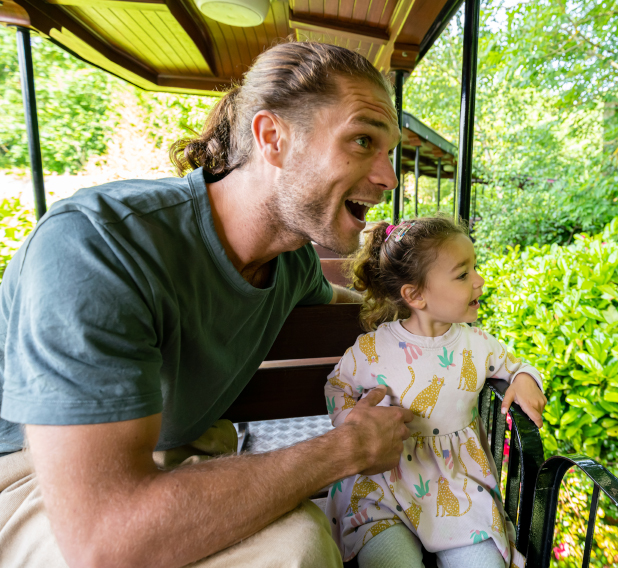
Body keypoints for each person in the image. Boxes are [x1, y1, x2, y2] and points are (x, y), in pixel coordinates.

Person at [0, 42, 415, 568]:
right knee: (295, 551)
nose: (389, 177)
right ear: (274, 139)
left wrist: (417, 313)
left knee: (302, 540)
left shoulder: (290, 264)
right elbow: (106, 537)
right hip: (31, 471)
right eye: (362, 141)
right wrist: (345, 450)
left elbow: (334, 300)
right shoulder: (98, 246)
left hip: (170, 451)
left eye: (390, 151)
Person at [323, 216, 548, 568]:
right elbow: (337, 385)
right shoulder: (372, 349)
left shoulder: (479, 345)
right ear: (415, 294)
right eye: (463, 275)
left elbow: (517, 366)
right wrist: (353, 418)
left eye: (475, 268)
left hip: (458, 490)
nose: (479, 280)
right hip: (383, 490)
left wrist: (525, 380)